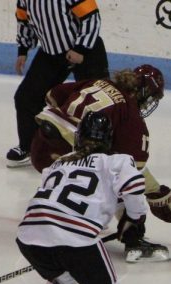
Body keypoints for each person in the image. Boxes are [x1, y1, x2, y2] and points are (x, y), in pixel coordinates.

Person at [15, 111, 171, 284]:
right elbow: (134, 194)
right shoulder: (117, 161)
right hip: (76, 239)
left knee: (65, 277)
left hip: (29, 236)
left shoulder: (57, 165)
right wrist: (134, 222)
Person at [31, 65, 171, 262]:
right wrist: (156, 193)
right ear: (144, 92)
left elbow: (52, 95)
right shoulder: (130, 113)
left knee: (74, 178)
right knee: (118, 184)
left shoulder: (99, 82)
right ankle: (133, 241)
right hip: (72, 154)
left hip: (40, 146)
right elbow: (132, 168)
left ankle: (55, 223)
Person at [8, 0, 110, 168]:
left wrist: (80, 49)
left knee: (99, 103)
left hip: (87, 51)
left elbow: (91, 18)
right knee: (26, 98)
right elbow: (24, 21)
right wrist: (23, 50)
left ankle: (106, 151)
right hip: (51, 53)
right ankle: (29, 147)